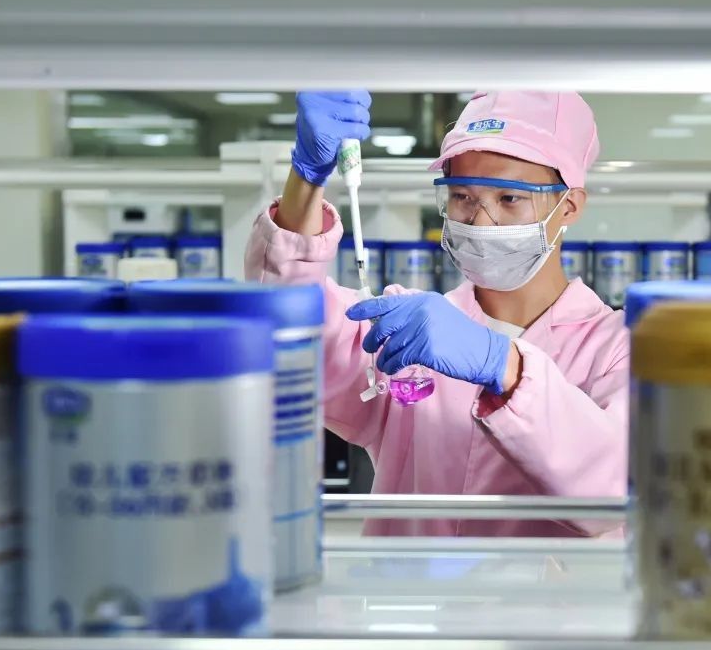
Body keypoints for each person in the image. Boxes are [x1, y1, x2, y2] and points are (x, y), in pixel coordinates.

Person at [245, 91, 627, 538]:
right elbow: (291, 331)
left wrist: (504, 365)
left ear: (570, 206)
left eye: (509, 198)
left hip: (547, 588)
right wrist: (307, 178)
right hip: (403, 585)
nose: (480, 222)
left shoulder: (617, 348)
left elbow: (614, 491)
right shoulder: (411, 328)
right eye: (463, 196)